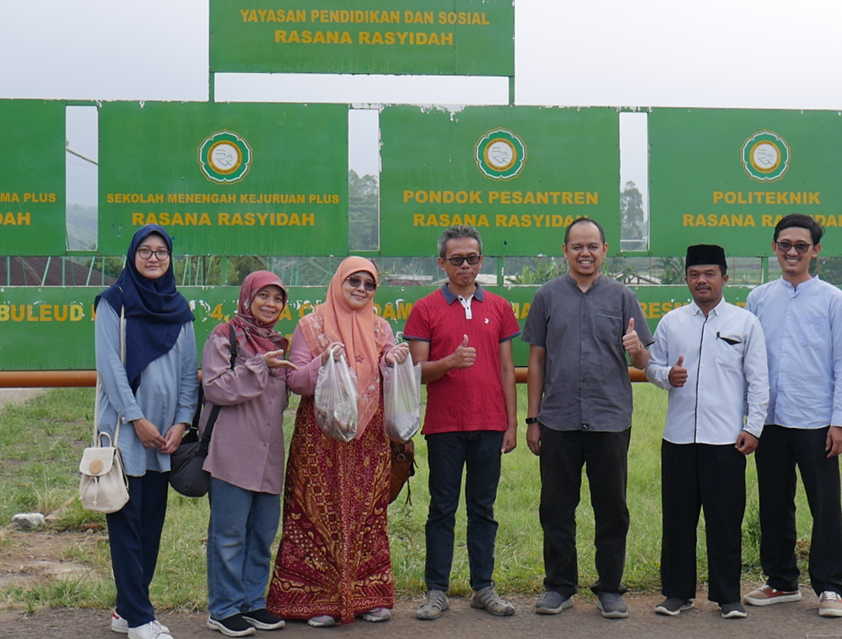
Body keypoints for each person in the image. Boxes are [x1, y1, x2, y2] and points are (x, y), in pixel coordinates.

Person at [266, 257, 410, 627]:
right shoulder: (311, 326)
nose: (361, 289)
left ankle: (368, 595)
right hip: (321, 437)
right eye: (354, 281)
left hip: (369, 439)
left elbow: (385, 370)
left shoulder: (380, 329)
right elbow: (296, 381)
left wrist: (393, 359)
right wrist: (323, 362)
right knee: (313, 515)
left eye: (368, 284)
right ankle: (314, 600)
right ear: (338, 282)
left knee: (368, 514)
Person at [522, 217, 652, 619]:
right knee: (556, 508)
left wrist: (636, 349)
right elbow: (537, 359)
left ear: (604, 250)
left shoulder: (623, 298)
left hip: (610, 420)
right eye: (577, 246)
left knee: (611, 508)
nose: (585, 253)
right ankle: (560, 586)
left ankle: (609, 588)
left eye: (592, 246)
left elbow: (644, 362)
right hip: (558, 419)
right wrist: (532, 418)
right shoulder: (546, 296)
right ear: (565, 251)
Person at [742, 213, 842, 619]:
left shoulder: (833, 301)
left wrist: (841, 420)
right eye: (785, 244)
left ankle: (829, 587)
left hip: (816, 421)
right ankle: (781, 581)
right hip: (770, 421)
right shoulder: (758, 299)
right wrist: (749, 418)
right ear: (774, 247)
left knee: (825, 505)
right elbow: (750, 363)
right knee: (774, 502)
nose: (792, 252)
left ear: (816, 251)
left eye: (801, 246)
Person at [403, 225, 521, 621]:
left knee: (483, 509)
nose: (465, 266)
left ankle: (483, 587)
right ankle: (436, 591)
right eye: (457, 259)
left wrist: (512, 422)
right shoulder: (425, 309)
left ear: (481, 260)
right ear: (442, 263)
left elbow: (507, 368)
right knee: (442, 508)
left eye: (472, 258)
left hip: (489, 422)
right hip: (445, 425)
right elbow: (417, 371)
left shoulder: (500, 307)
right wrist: (449, 363)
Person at [645, 244, 768, 620]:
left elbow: (758, 381)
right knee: (678, 518)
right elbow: (652, 368)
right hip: (679, 438)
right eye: (695, 274)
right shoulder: (671, 322)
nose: (702, 280)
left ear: (724, 278)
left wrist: (753, 427)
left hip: (727, 439)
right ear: (686, 279)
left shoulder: (744, 323)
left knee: (725, 518)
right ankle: (677, 594)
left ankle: (728, 596)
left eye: (709, 273)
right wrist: (668, 376)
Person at [96, 224, 198, 639]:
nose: (153, 258)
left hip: (164, 439)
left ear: (170, 258)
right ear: (132, 255)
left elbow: (189, 374)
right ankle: (140, 619)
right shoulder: (114, 302)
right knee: (125, 523)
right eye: (145, 250)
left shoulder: (179, 308)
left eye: (161, 252)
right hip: (125, 434)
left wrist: (181, 423)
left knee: (151, 526)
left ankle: (125, 610)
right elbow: (110, 368)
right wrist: (137, 418)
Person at [200, 271, 298, 637]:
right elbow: (215, 388)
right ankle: (223, 609)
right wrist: (260, 365)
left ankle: (253, 603)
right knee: (228, 535)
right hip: (232, 452)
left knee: (261, 534)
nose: (271, 304)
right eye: (264, 296)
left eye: (277, 298)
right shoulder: (225, 336)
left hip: (269, 453)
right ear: (248, 297)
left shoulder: (278, 343)